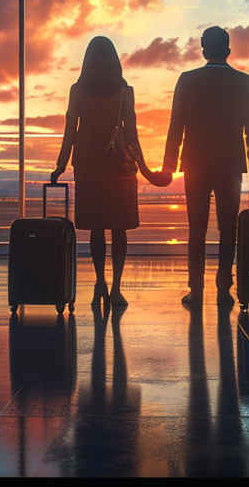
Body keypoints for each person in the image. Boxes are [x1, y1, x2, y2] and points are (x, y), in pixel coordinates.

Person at [51, 37, 170, 308]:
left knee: (96, 228)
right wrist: (146, 169)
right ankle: (116, 289)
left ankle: (99, 283)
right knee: (119, 228)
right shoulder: (125, 91)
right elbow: (131, 133)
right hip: (118, 168)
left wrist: (61, 163)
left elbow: (70, 128)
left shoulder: (77, 90)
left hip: (88, 165)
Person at [162, 26, 249, 308]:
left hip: (195, 164)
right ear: (228, 51)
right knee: (227, 229)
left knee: (196, 229)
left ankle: (196, 289)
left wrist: (169, 164)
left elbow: (176, 126)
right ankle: (224, 286)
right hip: (230, 164)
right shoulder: (246, 82)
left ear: (204, 49)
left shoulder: (187, 80)